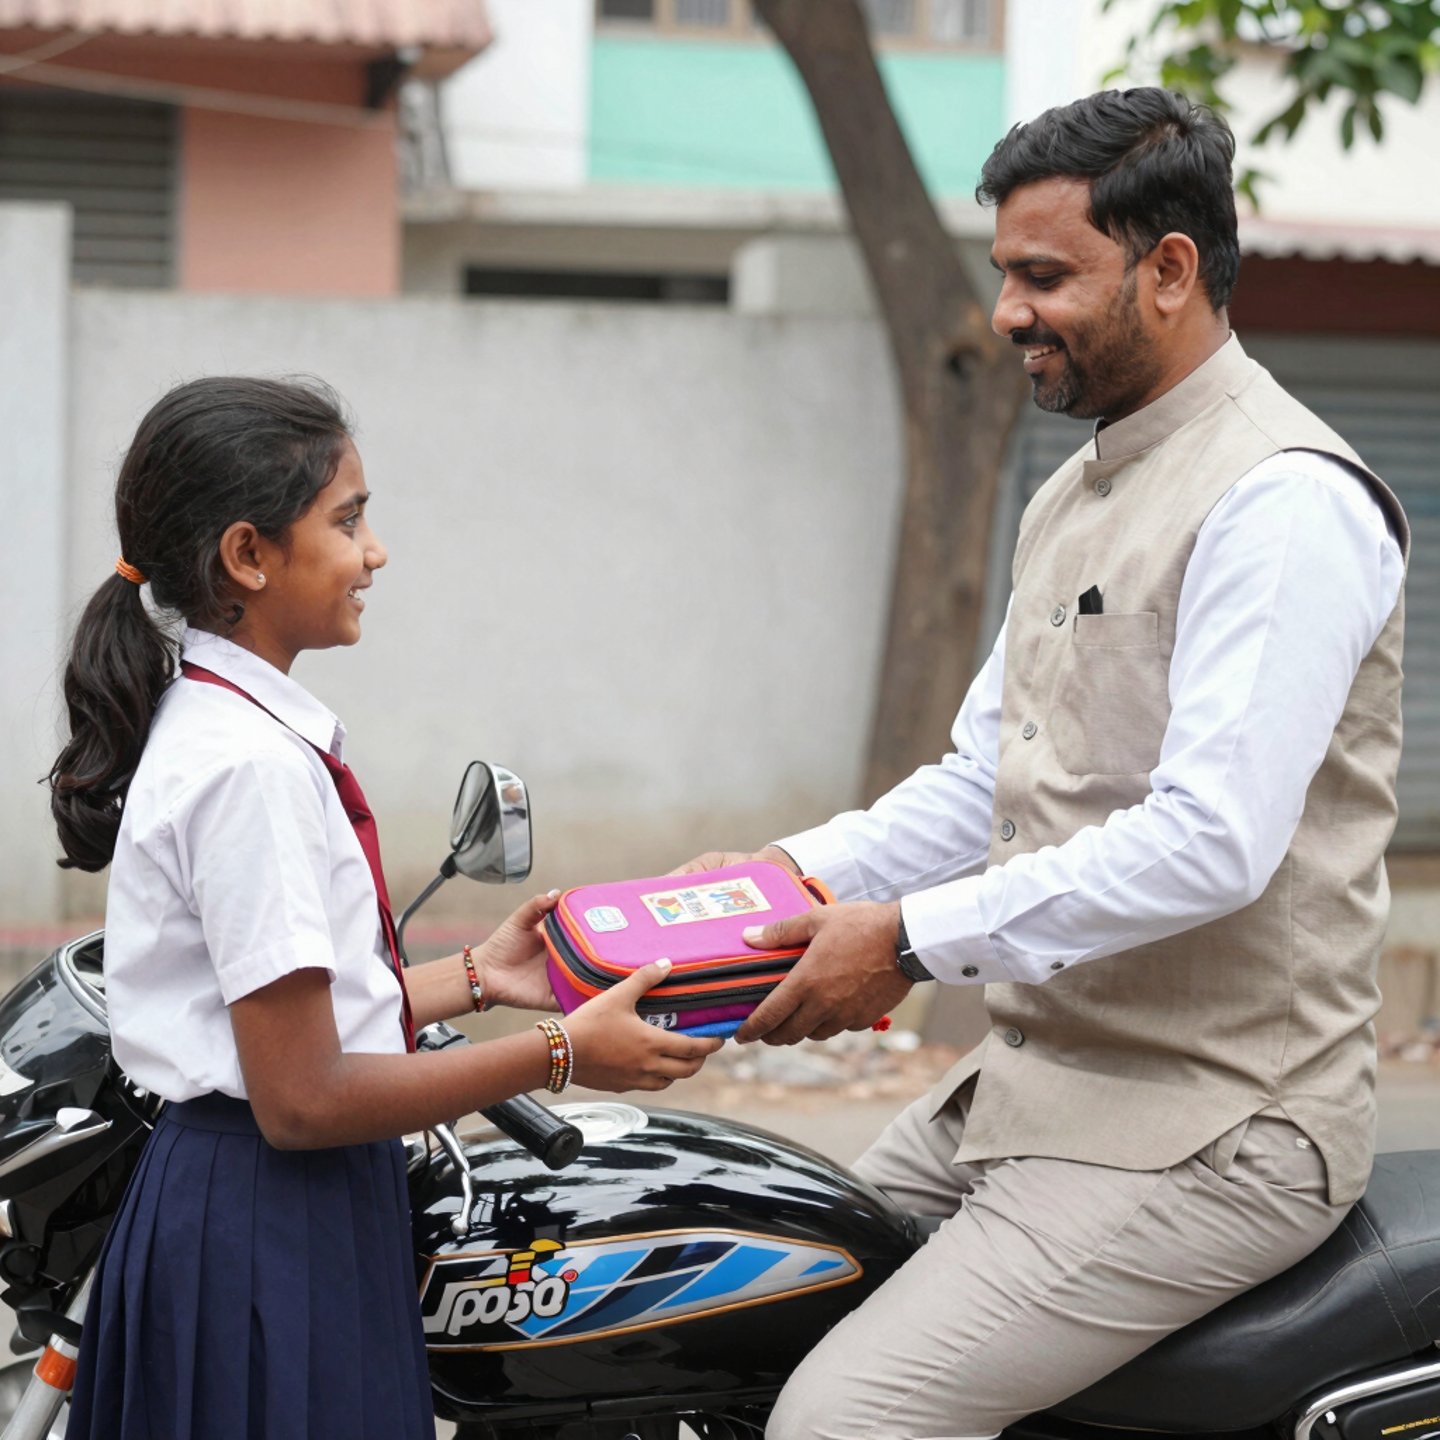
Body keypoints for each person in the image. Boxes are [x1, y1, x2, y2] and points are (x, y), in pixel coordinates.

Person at [680, 88, 1408, 1439]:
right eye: (1004, 272)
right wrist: (781, 880)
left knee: (843, 1422)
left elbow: (1213, 838)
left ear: (1170, 268)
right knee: (722, 1303)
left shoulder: (1284, 500)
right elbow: (981, 783)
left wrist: (897, 944)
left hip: (1222, 1119)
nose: (1008, 309)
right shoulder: (1074, 496)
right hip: (1039, 1081)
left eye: (1043, 275)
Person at [48, 376, 723, 1440]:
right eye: (349, 520)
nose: (377, 552)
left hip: (257, 1199)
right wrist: (559, 1051)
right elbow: (302, 1096)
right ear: (247, 556)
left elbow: (273, 1029)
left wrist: (470, 980)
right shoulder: (249, 770)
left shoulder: (227, 728)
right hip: (269, 1216)